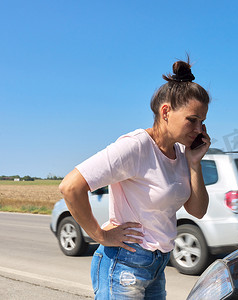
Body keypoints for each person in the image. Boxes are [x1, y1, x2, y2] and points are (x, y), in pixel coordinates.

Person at [59, 57, 211, 299]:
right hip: (124, 265)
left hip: (157, 265)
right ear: (166, 112)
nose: (199, 129)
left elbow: (198, 210)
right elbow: (70, 187)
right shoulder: (136, 146)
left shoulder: (183, 152)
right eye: (192, 120)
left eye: (202, 122)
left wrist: (195, 164)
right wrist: (100, 235)